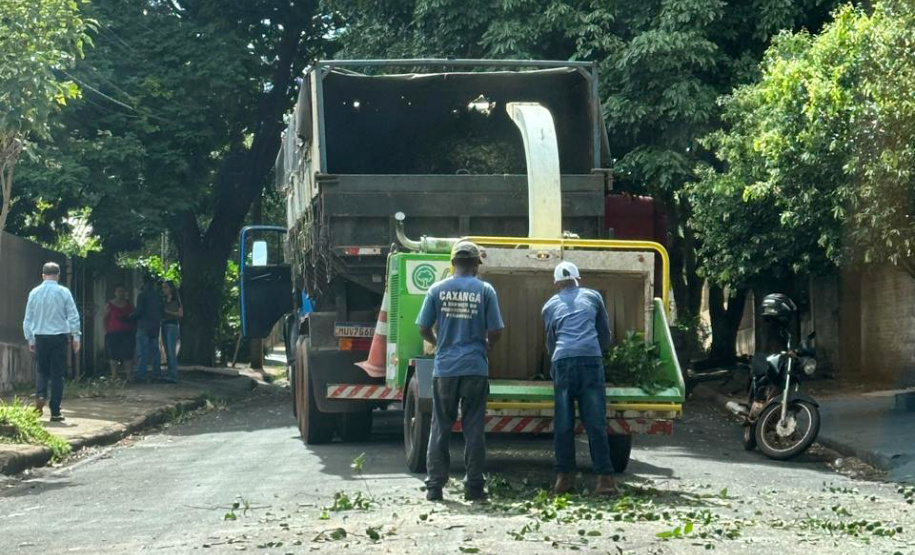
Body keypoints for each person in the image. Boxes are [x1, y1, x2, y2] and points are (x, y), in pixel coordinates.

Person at [416, 241, 504, 502]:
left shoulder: (437, 289)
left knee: (440, 426)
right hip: (475, 368)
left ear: (453, 263)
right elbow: (497, 330)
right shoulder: (485, 290)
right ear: (476, 265)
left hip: (445, 369)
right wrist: (487, 346)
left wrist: (438, 343)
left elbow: (422, 327)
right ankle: (474, 487)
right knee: (474, 427)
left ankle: (435, 487)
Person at [541, 261, 617, 495]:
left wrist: (557, 364)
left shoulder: (549, 306)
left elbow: (551, 342)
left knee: (563, 424)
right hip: (590, 361)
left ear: (556, 284)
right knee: (595, 422)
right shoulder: (593, 297)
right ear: (578, 279)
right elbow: (604, 333)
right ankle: (604, 481)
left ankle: (564, 480)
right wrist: (599, 352)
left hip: (562, 362)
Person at [22, 262, 81, 422]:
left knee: (41, 370)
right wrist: (76, 336)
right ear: (58, 275)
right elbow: (73, 316)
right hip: (59, 337)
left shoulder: (34, 293)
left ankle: (40, 395)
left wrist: (30, 338)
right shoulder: (64, 292)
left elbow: (28, 318)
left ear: (43, 275)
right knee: (57, 374)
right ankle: (55, 410)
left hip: (40, 336)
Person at [133, 277, 164, 382]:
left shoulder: (142, 295)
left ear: (144, 284)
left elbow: (139, 311)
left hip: (144, 326)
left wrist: (130, 317)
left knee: (143, 352)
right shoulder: (158, 296)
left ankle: (142, 374)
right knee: (155, 352)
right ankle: (156, 374)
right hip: (155, 326)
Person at [104, 285, 136, 380]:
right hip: (113, 332)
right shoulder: (109, 305)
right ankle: (114, 375)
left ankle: (129, 375)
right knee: (113, 355)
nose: (120, 293)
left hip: (127, 332)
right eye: (118, 291)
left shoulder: (129, 304)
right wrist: (106, 331)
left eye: (122, 291)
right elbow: (104, 318)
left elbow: (134, 316)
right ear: (115, 293)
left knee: (128, 354)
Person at [160, 280, 183, 383]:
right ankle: (170, 373)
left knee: (171, 351)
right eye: (163, 287)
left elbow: (180, 314)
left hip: (172, 325)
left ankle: (174, 375)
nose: (164, 289)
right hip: (164, 325)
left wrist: (168, 312)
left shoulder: (175, 301)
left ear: (171, 289)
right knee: (166, 351)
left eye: (166, 287)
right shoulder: (163, 300)